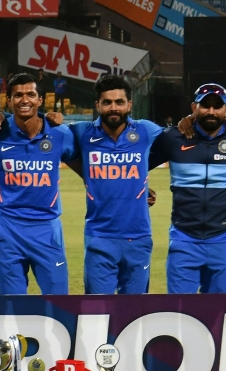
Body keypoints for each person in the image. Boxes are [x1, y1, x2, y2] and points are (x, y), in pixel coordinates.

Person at [63, 76, 163, 294]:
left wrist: (141, 184)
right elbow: (44, 133)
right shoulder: (82, 132)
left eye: (119, 102)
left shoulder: (146, 130)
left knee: (136, 314)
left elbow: (179, 140)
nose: (113, 107)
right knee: (98, 314)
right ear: (98, 105)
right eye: (107, 102)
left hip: (138, 237)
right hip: (100, 237)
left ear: (129, 105)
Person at [0, 74, 77, 294]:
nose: (24, 100)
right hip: (8, 228)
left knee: (59, 302)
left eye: (30, 95)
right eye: (18, 95)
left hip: (46, 228)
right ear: (8, 101)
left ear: (40, 100)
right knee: (12, 306)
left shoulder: (60, 134)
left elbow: (90, 172)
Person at [151, 84, 226, 293]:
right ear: (194, 107)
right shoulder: (173, 138)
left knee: (219, 314)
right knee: (180, 314)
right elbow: (138, 163)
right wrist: (140, 189)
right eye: (205, 105)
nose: (211, 111)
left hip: (224, 238)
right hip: (184, 238)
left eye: (217, 106)